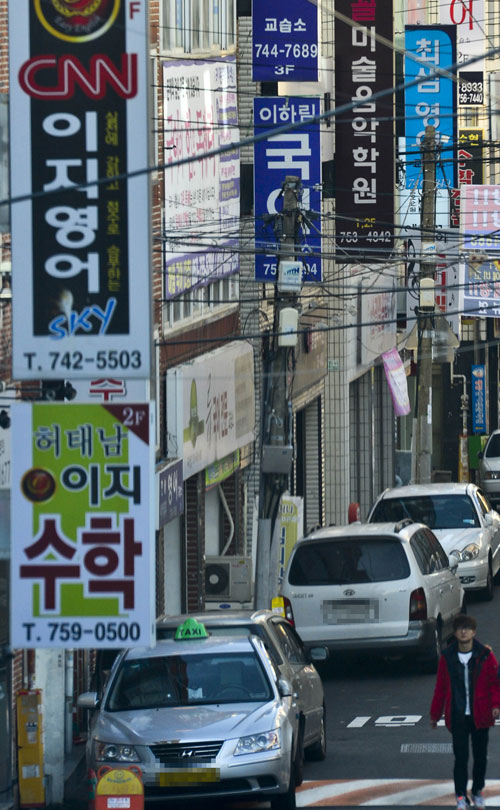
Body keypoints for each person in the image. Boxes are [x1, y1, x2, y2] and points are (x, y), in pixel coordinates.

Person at [430, 614, 500, 810]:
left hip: (481, 715)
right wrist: (435, 714)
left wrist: (496, 705)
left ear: (474, 632)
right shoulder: (447, 657)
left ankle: (477, 791)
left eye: (467, 628)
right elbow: (441, 687)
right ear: (455, 632)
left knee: (480, 757)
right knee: (460, 758)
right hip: (457, 715)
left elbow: (495, 682)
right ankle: (460, 795)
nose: (463, 631)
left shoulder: (485, 655)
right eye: (460, 628)